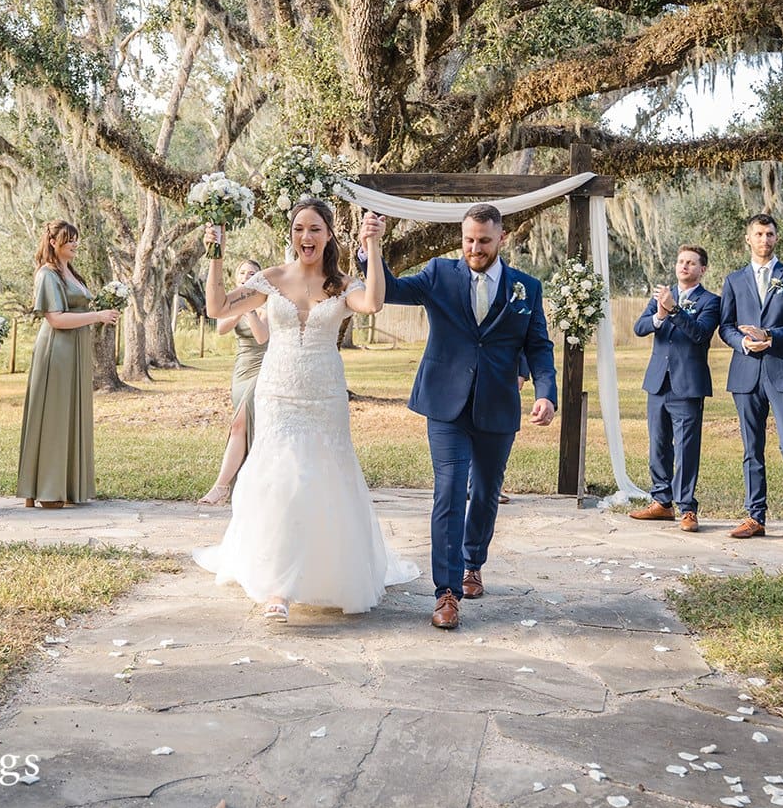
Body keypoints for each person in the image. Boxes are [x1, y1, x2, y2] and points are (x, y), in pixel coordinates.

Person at [194, 199, 417, 621]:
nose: (306, 237)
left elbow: (373, 303)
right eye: (299, 228)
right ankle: (278, 586)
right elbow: (218, 309)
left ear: (329, 234)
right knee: (280, 480)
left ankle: (323, 571)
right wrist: (216, 256)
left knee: (322, 478)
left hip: (324, 395)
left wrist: (374, 244)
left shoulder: (342, 284)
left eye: (315, 229)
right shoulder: (270, 280)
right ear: (291, 234)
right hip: (277, 393)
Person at [376, 204, 557, 630]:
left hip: (498, 405)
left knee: (487, 491)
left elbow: (539, 347)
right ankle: (447, 591)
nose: (474, 248)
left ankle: (473, 562)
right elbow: (391, 291)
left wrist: (546, 394)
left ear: (502, 239)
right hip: (445, 404)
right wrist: (371, 252)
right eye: (468, 240)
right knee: (451, 489)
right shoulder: (439, 273)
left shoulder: (526, 289)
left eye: (484, 241)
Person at [719, 213, 783, 544]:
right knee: (751, 449)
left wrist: (771, 335)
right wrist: (743, 342)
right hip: (745, 374)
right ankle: (754, 516)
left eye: (770, 234)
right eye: (758, 234)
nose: (764, 239)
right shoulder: (733, 280)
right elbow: (726, 326)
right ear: (748, 239)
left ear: (776, 238)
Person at [17, 219, 117, 508]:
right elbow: (57, 318)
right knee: (54, 416)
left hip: (76, 349)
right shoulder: (47, 275)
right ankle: (47, 489)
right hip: (57, 350)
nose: (75, 244)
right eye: (68, 239)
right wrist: (97, 316)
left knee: (71, 414)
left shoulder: (71, 272)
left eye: (76, 239)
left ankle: (69, 485)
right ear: (53, 242)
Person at [629, 245, 721, 533]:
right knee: (658, 443)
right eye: (681, 261)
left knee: (686, 448)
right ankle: (661, 502)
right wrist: (658, 315)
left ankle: (687, 508)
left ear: (702, 269)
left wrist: (674, 309)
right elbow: (640, 327)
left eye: (691, 263)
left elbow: (699, 334)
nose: (684, 266)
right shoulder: (661, 295)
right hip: (658, 382)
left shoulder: (711, 301)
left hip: (688, 383)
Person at [199, 258, 269, 506]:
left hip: (264, 368)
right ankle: (252, 484)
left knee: (239, 425)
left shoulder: (266, 304)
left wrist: (250, 309)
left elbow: (262, 338)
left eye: (251, 272)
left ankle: (221, 487)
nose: (246, 275)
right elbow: (221, 328)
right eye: (242, 272)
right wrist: (241, 304)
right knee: (248, 426)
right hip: (241, 370)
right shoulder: (231, 301)